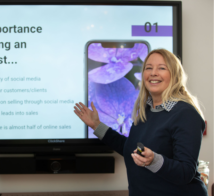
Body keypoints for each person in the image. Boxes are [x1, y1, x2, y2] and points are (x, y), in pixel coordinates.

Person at [74, 49, 208, 196]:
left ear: (175, 75)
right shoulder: (147, 111)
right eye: (148, 68)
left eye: (162, 68)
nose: (153, 73)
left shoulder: (185, 113)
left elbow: (185, 172)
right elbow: (132, 149)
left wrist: (154, 161)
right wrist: (97, 126)